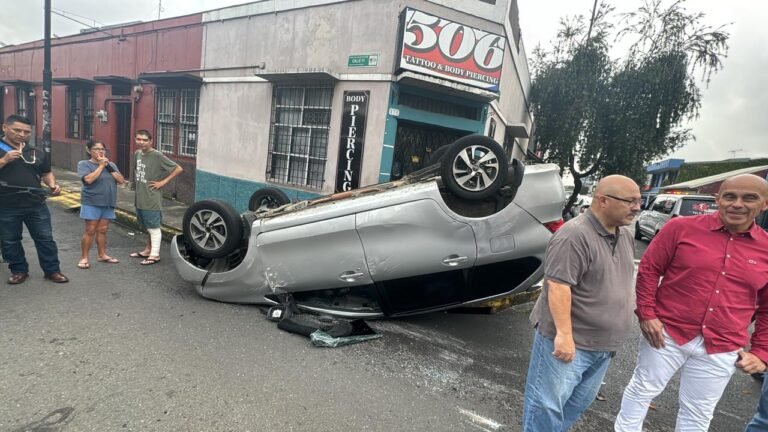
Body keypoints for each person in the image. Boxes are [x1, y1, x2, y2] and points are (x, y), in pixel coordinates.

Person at [615, 174, 768, 431]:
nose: (737, 204)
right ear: (717, 199)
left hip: (722, 345)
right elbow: (650, 270)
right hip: (666, 333)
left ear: (764, 204)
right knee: (642, 390)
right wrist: (646, 314)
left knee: (698, 413)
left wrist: (761, 353)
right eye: (730, 196)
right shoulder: (681, 228)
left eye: (749, 198)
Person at [522, 175, 641, 431]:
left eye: (638, 201)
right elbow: (558, 286)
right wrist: (564, 335)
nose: (637, 207)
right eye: (630, 201)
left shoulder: (625, 236)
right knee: (546, 406)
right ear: (603, 200)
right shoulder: (574, 235)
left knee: (575, 405)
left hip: (604, 345)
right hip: (571, 342)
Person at [0, 114, 69, 284]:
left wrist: (53, 185)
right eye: (17, 130)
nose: (22, 134)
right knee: (10, 240)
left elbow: (46, 172)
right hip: (6, 205)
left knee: (45, 239)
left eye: (26, 132)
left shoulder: (35, 152)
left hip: (36, 204)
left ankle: (52, 270)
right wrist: (4, 160)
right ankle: (18, 270)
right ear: (4, 128)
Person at [130, 129, 182, 265]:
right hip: (140, 196)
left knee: (153, 227)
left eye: (145, 140)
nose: (141, 142)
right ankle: (148, 250)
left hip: (151, 197)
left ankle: (154, 255)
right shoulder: (137, 154)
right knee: (148, 226)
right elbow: (136, 171)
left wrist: (163, 182)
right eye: (139, 139)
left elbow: (178, 168)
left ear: (151, 141)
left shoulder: (157, 156)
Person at [77, 141, 126, 269]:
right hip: (91, 201)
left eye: (103, 149)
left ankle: (102, 254)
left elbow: (121, 181)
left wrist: (107, 166)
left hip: (108, 201)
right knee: (90, 230)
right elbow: (88, 180)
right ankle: (84, 257)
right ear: (89, 150)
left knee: (103, 230)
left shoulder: (111, 165)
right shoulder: (84, 164)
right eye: (96, 149)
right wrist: (100, 166)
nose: (100, 151)